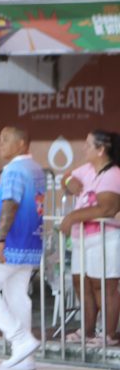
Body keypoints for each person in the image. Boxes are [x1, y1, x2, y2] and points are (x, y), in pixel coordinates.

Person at [0, 127, 46, 370]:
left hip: (12, 243)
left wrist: (0, 240)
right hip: (31, 244)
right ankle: (25, 357)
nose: (0, 144)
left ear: (22, 142)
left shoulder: (14, 169)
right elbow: (16, 199)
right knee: (17, 296)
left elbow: (11, 204)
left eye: (5, 139)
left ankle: (20, 339)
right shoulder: (35, 168)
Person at [60, 130, 120, 347]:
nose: (84, 149)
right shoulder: (87, 169)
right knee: (81, 283)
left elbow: (106, 207)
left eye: (88, 145)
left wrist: (71, 217)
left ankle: (109, 334)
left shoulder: (113, 174)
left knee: (103, 285)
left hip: (104, 237)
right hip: (81, 238)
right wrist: (68, 181)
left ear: (101, 149)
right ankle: (87, 330)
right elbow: (67, 177)